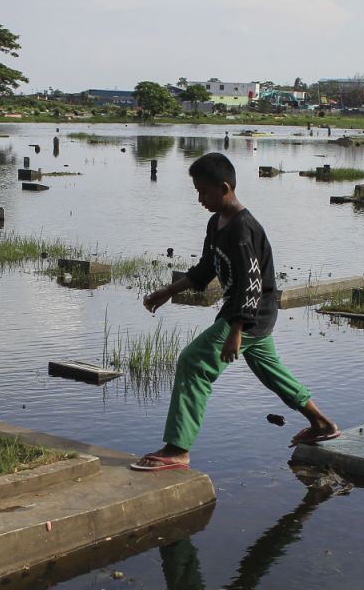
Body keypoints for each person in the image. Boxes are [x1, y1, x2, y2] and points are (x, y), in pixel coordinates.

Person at [131, 152, 340, 471]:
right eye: (196, 191)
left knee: (193, 362)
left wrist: (236, 331)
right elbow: (205, 268)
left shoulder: (243, 230)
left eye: (203, 191)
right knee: (272, 372)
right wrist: (167, 291)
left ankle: (177, 449)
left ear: (225, 187)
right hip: (249, 313)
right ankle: (322, 424)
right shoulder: (217, 223)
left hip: (250, 314)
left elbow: (251, 284)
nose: (199, 198)